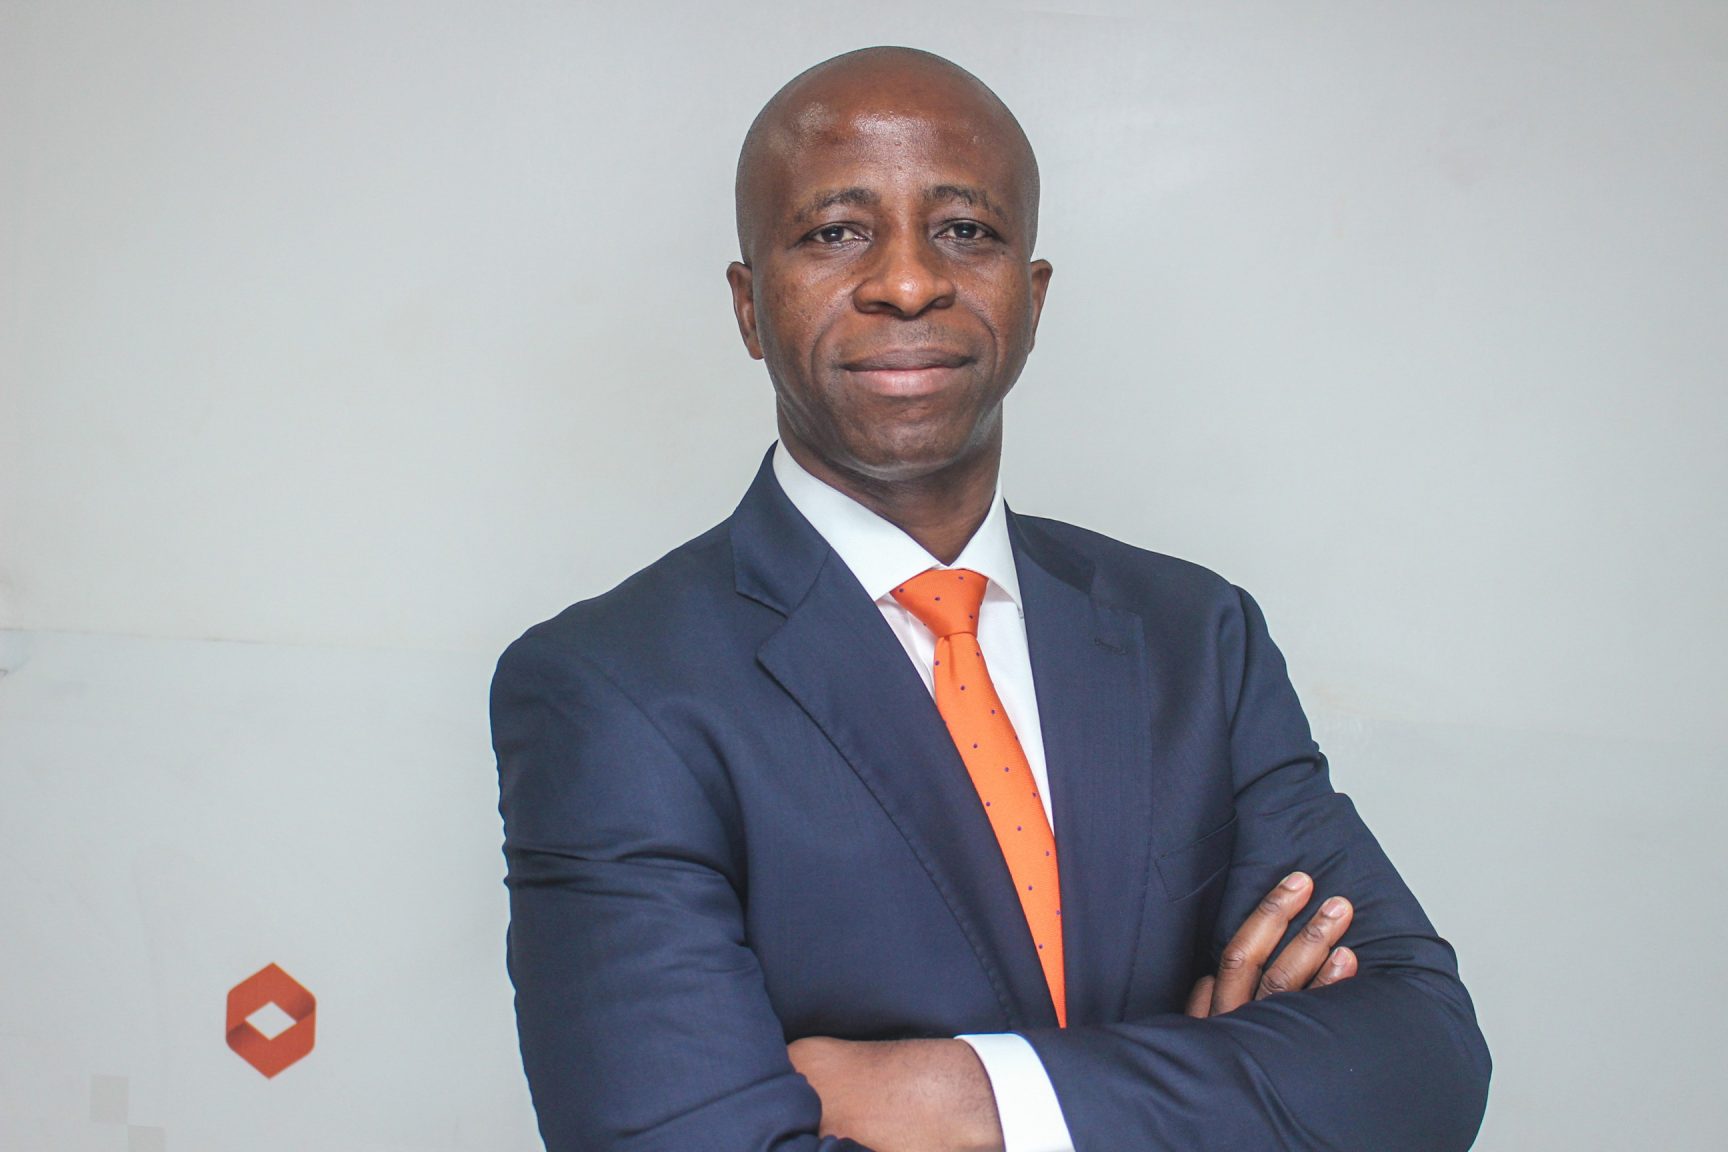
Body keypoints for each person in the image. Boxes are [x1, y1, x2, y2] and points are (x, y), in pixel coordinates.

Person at [492, 46, 1490, 1152]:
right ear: (748, 305)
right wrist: (1220, 1089)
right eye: (836, 232)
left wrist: (970, 1096)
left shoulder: (1195, 639)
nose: (908, 282)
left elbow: (1424, 1062)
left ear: (1033, 294)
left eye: (966, 230)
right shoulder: (610, 690)